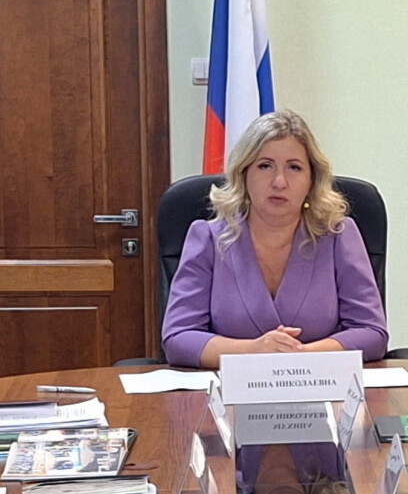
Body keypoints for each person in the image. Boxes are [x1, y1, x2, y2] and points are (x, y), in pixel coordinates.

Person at [161, 110, 389, 367]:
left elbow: (372, 333)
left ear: (311, 180)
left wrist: (299, 356)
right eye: (265, 166)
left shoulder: (338, 235)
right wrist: (254, 351)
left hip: (319, 383)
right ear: (243, 174)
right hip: (231, 388)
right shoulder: (208, 239)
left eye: (294, 167)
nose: (279, 182)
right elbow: (178, 338)